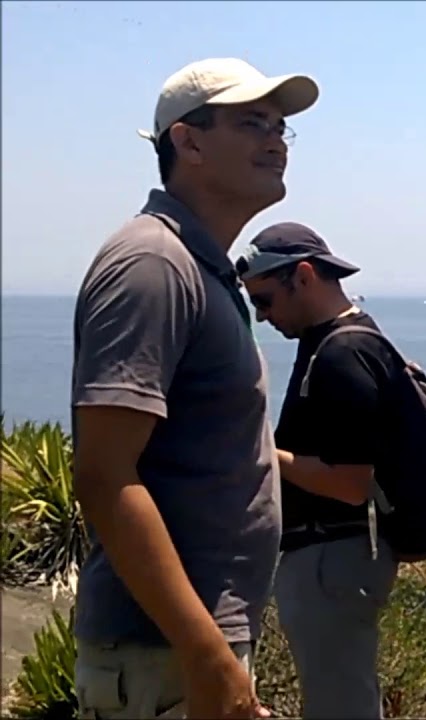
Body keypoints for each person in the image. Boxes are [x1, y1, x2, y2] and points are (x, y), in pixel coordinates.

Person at [70, 58, 318, 719]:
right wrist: (206, 658)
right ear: (188, 141)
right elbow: (103, 474)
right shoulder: (153, 265)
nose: (275, 139)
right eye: (251, 122)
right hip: (162, 655)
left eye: (280, 125)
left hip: (184, 648)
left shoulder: (201, 269)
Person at [236, 222, 399, 719]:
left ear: (303, 277)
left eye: (264, 300)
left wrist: (260, 451)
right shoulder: (340, 341)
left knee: (339, 705)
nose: (262, 318)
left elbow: (350, 483)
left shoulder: (342, 355)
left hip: (334, 558)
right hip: (335, 558)